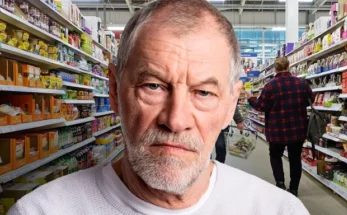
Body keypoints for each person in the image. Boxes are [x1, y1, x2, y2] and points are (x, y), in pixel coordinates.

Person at [8, 1, 309, 214]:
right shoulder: (40, 211)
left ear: (231, 104)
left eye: (204, 92)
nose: (176, 121)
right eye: (153, 86)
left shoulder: (280, 210)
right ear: (113, 90)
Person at [246, 57, 313, 197]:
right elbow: (311, 101)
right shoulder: (302, 83)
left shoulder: (270, 86)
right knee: (295, 158)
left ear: (275, 69)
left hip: (277, 130)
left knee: (275, 156)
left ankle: (280, 184)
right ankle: (294, 188)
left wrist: (251, 98)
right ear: (289, 67)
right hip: (297, 129)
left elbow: (261, 106)